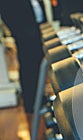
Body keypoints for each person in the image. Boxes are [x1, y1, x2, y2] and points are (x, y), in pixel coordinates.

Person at [0, 0, 44, 130]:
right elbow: (7, 13)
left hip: (33, 28)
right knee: (28, 67)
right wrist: (19, 31)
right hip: (24, 31)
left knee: (35, 65)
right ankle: (31, 103)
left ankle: (38, 99)